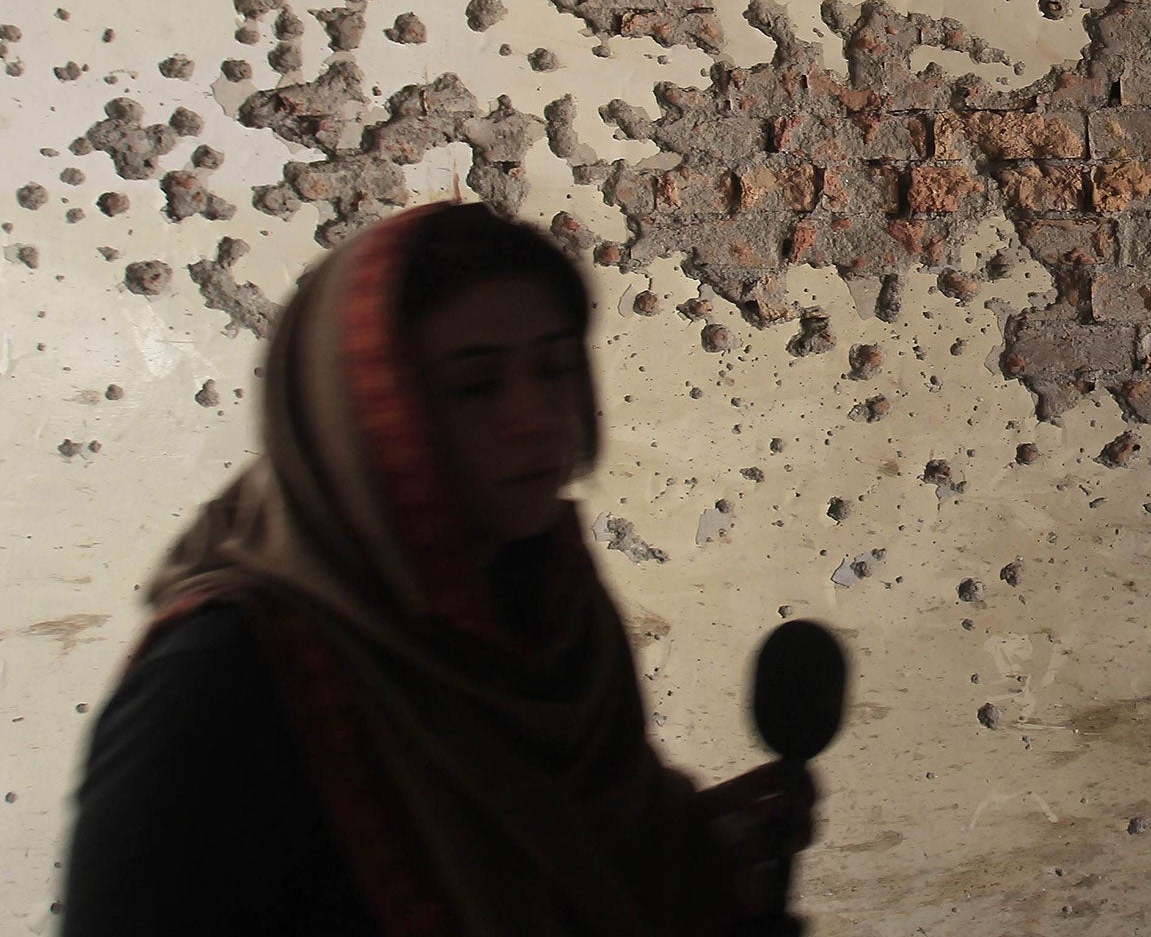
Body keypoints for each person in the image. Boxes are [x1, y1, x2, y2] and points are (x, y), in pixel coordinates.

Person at [60, 200, 814, 936]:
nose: (538, 415)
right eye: (475, 386)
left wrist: (692, 863)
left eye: (554, 368)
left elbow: (570, 856)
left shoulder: (552, 613)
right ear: (362, 415)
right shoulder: (222, 681)